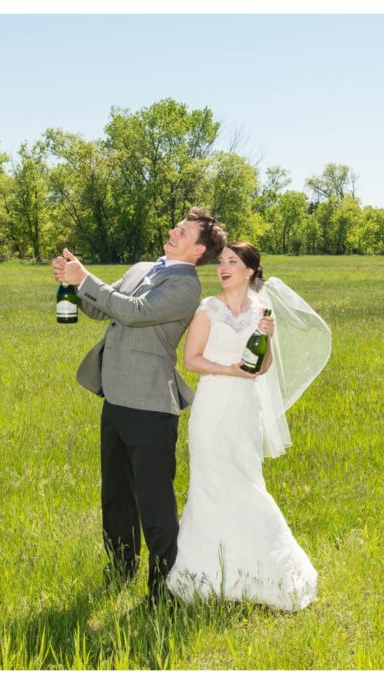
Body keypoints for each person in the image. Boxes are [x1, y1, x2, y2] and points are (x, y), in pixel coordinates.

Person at [52, 208, 252, 608]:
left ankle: (165, 590)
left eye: (183, 231)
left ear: (198, 250)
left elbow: (134, 312)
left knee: (154, 504)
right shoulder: (144, 267)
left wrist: (85, 278)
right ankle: (120, 568)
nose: (172, 232)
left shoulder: (185, 288)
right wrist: (71, 280)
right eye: (176, 227)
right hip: (115, 397)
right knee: (116, 497)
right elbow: (101, 306)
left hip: (150, 406)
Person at [165, 241, 326, 611]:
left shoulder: (262, 313)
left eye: (232, 262)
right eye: (221, 261)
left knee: (247, 483)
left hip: (245, 411)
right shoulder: (208, 308)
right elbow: (191, 359)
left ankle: (266, 570)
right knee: (210, 483)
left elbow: (263, 368)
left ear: (250, 270)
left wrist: (267, 337)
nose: (223, 267)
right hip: (212, 408)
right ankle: (204, 573)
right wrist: (229, 370)